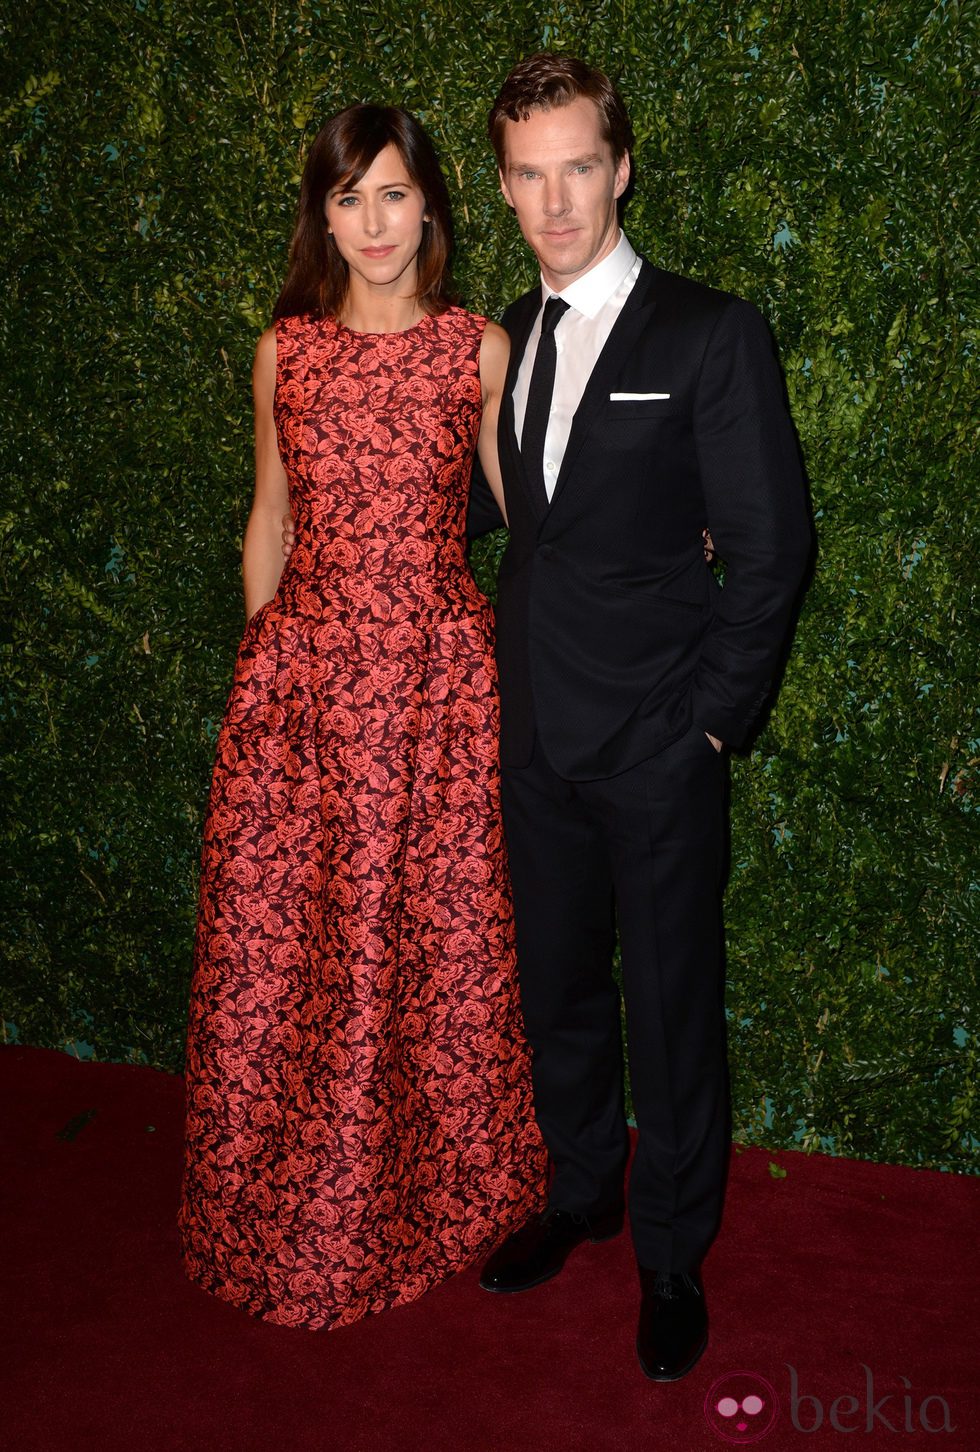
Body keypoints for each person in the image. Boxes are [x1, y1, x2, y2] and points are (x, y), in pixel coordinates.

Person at [179, 103, 547, 1332]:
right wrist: (261, 662)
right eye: (348, 199)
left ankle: (437, 1198)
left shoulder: (475, 350)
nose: (373, 222)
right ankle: (281, 1195)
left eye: (392, 195)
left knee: (430, 956)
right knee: (293, 952)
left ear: (431, 205)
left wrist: (665, 527)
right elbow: (269, 514)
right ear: (320, 216)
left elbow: (533, 514)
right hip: (305, 693)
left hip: (438, 697)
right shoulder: (284, 350)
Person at [471, 55, 811, 1380]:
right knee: (557, 989)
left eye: (578, 167)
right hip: (537, 737)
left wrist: (711, 726)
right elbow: (499, 514)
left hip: (662, 744)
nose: (557, 200)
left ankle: (670, 1252)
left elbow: (772, 549)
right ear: (502, 186)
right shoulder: (505, 335)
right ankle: (580, 1196)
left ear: (620, 168)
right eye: (528, 173)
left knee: (671, 1008)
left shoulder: (708, 332)